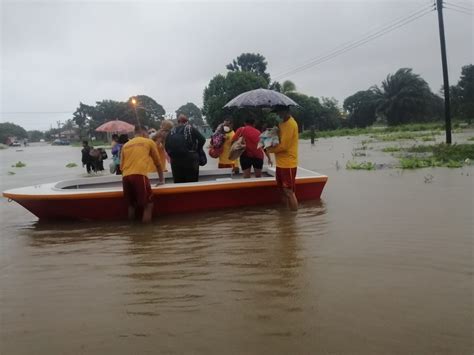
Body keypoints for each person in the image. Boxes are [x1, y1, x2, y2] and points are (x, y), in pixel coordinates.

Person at [120, 127, 164, 223]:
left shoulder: (126, 145)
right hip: (139, 175)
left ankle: (132, 230)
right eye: (148, 133)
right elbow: (158, 163)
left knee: (131, 205)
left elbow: (121, 166)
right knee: (148, 204)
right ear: (143, 133)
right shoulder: (148, 142)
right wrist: (161, 180)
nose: (149, 135)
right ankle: (145, 233)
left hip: (125, 177)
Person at [266, 106, 299, 211]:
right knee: (282, 191)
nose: (278, 114)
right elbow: (278, 140)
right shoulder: (281, 124)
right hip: (280, 163)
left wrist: (270, 150)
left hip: (288, 163)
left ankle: (293, 219)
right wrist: (270, 134)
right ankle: (285, 218)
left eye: (280, 112)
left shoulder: (291, 124)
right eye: (277, 112)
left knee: (289, 191)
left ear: (286, 111)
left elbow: (284, 146)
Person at [165, 114, 205, 183]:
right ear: (187, 121)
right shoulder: (190, 128)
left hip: (175, 161)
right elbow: (202, 139)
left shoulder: (171, 131)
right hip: (191, 159)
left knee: (178, 183)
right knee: (192, 183)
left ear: (178, 121)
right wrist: (198, 149)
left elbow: (166, 146)